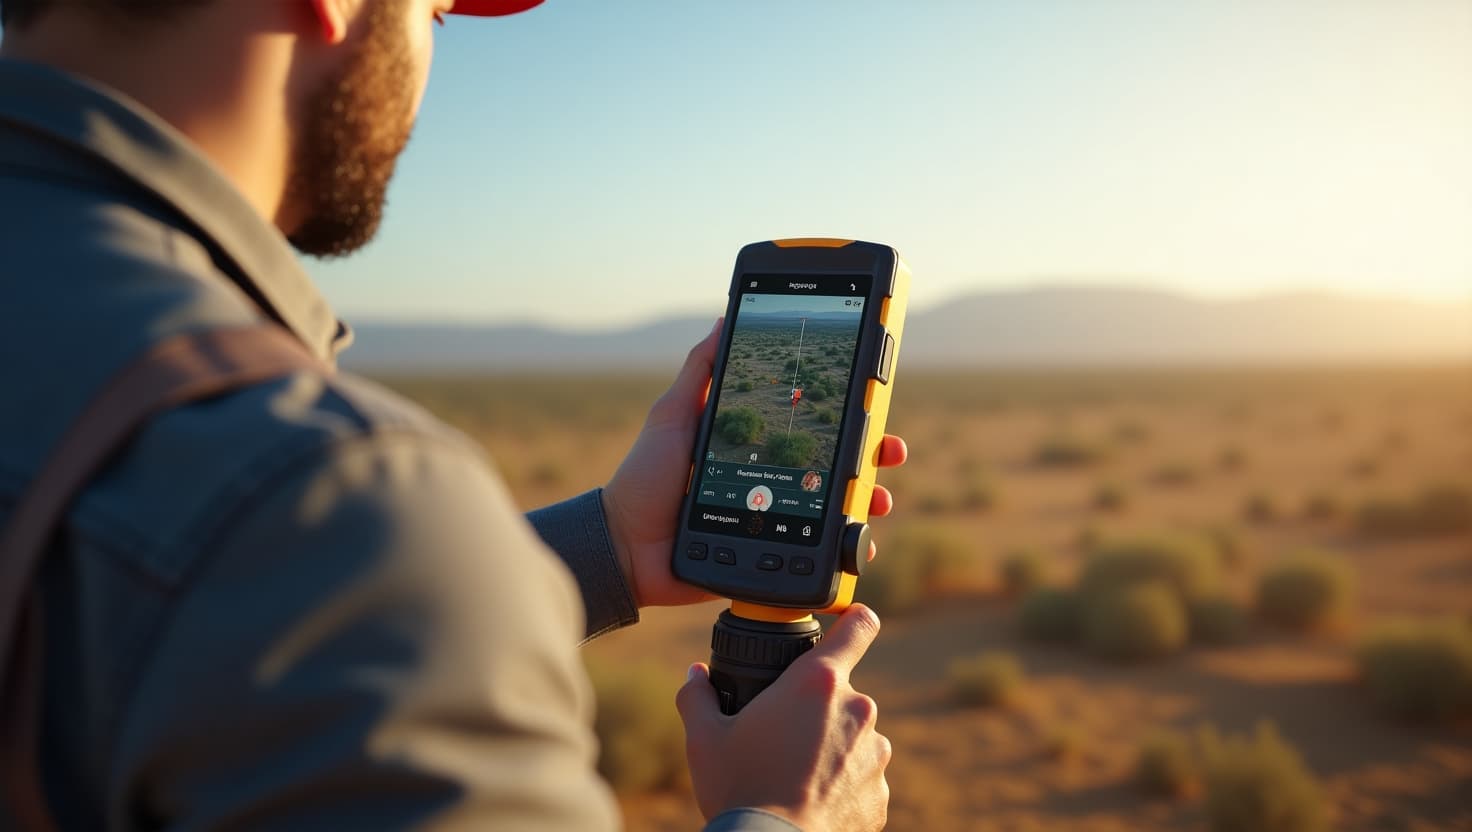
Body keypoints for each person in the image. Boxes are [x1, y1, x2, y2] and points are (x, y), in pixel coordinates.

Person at [0, 1, 907, 829]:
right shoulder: (325, 493)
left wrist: (612, 548)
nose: (432, 47)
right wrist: (785, 820)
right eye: (436, 10)